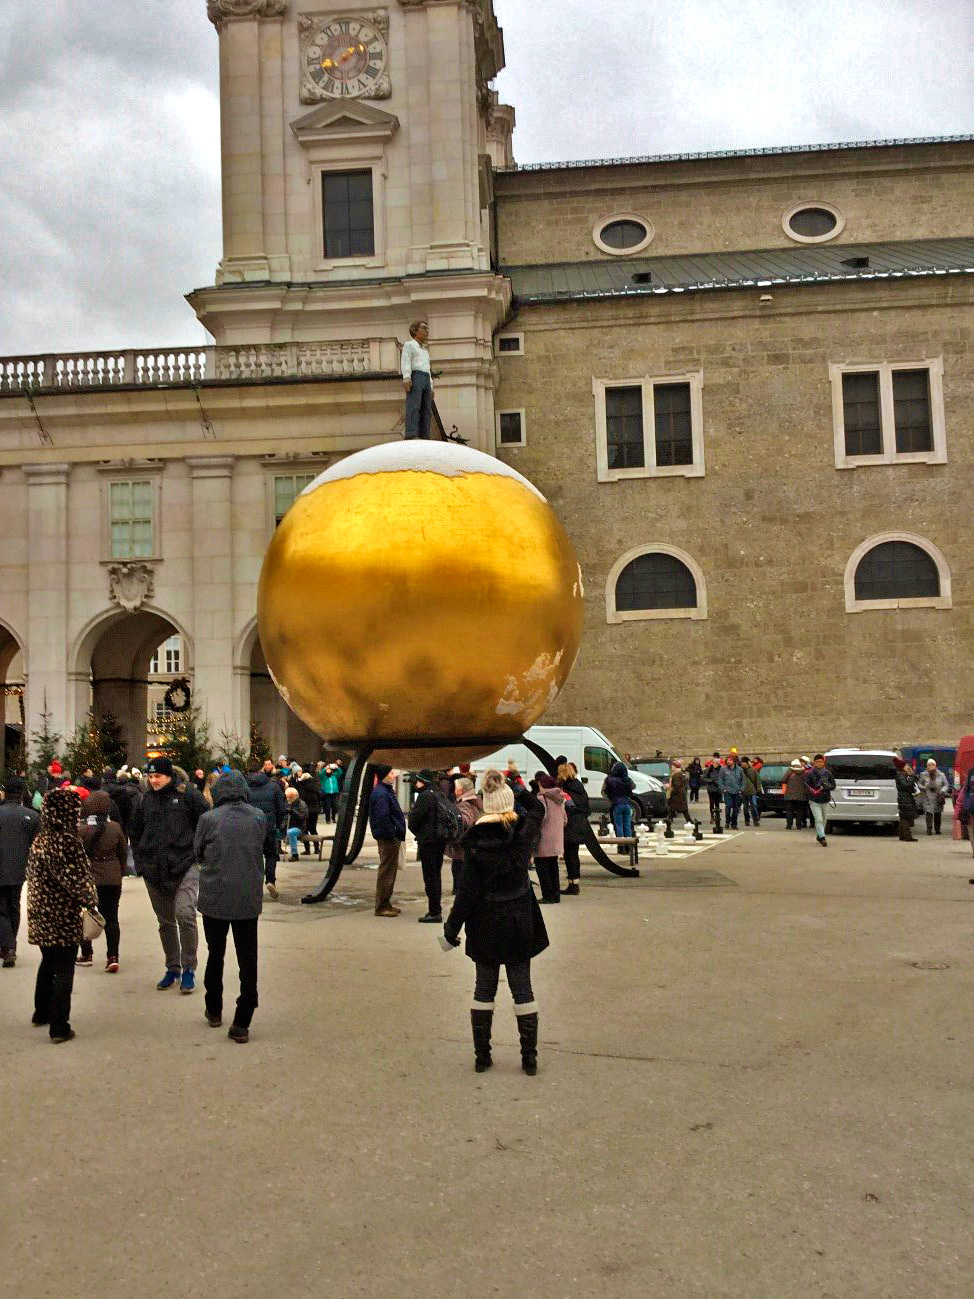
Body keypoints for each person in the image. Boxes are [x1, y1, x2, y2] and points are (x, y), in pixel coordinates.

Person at [444, 770, 550, 1075]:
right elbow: (538, 809)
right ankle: (528, 1057)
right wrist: (518, 785)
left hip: (485, 924)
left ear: (485, 805)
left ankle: (482, 1055)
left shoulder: (475, 843)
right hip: (518, 921)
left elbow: (467, 893)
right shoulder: (522, 835)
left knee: (484, 989)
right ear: (508, 803)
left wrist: (451, 929)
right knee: (522, 988)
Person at [194, 770, 266, 1044]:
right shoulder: (258, 817)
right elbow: (267, 846)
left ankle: (214, 1008)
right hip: (247, 897)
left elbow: (197, 852)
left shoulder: (208, 819)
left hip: (216, 896)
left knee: (215, 953)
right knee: (248, 959)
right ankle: (243, 1020)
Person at [26, 788, 98, 1043]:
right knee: (64, 968)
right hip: (63, 914)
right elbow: (77, 880)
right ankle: (59, 1026)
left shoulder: (40, 839)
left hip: (40, 912)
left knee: (47, 961)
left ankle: (41, 1012)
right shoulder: (67, 841)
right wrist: (91, 901)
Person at [130, 755, 208, 994]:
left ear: (169, 775)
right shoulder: (144, 801)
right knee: (165, 921)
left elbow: (205, 824)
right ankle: (172, 967)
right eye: (150, 776)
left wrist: (199, 856)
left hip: (184, 865)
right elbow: (135, 832)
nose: (154, 780)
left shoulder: (189, 797)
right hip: (154, 871)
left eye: (158, 776)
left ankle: (189, 968)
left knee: (185, 914)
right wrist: (141, 863)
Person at [77, 790, 127, 971]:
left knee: (85, 915)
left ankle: (87, 953)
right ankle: (112, 956)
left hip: (89, 878)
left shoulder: (81, 829)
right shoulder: (115, 827)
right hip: (112, 878)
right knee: (111, 917)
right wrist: (120, 872)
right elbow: (123, 852)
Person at [0, 777, 40, 968]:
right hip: (20, 868)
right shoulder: (32, 816)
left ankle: (7, 947)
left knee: (1, 909)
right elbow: (36, 845)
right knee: (14, 905)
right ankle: (10, 944)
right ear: (23, 794)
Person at [408, 770, 448, 924]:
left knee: (430, 876)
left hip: (428, 841)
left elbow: (414, 820)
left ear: (422, 781)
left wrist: (419, 832)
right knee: (436, 874)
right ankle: (435, 908)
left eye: (417, 781)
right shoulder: (438, 793)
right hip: (439, 840)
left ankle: (434, 911)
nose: (415, 784)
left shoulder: (425, 796)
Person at [369, 765, 406, 917]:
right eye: (391, 773)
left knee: (389, 871)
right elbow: (382, 817)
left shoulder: (384, 791)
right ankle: (381, 906)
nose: (394, 775)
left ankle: (386, 903)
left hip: (390, 836)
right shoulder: (381, 794)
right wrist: (393, 833)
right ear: (385, 775)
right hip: (388, 837)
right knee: (386, 872)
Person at [246, 764, 287, 898]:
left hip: (251, 827)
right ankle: (270, 881)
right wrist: (280, 823)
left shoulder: (245, 787)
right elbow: (281, 807)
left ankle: (254, 885)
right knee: (271, 855)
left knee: (253, 856)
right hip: (268, 826)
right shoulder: (273, 786)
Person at [534, 774, 567, 903]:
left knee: (542, 868)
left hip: (544, 838)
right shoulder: (559, 799)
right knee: (553, 867)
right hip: (556, 838)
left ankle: (547, 896)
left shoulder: (542, 798)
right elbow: (565, 819)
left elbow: (540, 818)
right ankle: (556, 895)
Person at [558, 761, 588, 896]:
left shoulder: (566, 789)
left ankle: (573, 884)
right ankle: (575, 882)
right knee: (574, 854)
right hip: (580, 823)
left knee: (569, 855)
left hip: (570, 825)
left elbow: (567, 808)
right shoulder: (580, 787)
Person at [448, 776, 482, 896]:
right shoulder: (473, 801)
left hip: (463, 844)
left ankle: (458, 890)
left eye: (457, 788)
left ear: (461, 790)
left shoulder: (463, 804)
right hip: (471, 843)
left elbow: (466, 821)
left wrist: (452, 821)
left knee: (458, 867)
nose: (455, 790)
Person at [402, 319, 433, 440]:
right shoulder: (409, 345)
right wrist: (406, 377)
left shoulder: (425, 351)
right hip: (416, 376)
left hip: (425, 377)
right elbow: (406, 361)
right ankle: (412, 433)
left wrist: (431, 385)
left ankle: (425, 435)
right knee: (414, 405)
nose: (427, 331)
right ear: (415, 330)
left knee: (426, 409)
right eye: (424, 328)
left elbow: (428, 369)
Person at [603, 760, 635, 851]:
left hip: (617, 804)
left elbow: (605, 791)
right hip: (627, 803)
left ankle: (621, 846)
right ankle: (629, 845)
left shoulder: (610, 780)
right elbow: (633, 786)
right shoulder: (627, 780)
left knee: (619, 825)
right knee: (627, 824)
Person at [804, 755, 835, 847]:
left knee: (824, 819)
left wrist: (827, 786)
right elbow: (805, 785)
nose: (819, 763)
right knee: (818, 819)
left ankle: (819, 834)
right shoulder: (809, 773)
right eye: (817, 762)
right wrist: (812, 790)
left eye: (821, 761)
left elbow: (833, 786)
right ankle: (822, 837)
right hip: (814, 800)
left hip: (825, 799)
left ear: (823, 762)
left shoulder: (828, 773)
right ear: (814, 762)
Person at [918, 758, 949, 835]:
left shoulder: (941, 775)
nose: (931, 766)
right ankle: (929, 829)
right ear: (927, 766)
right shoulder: (923, 774)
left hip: (938, 796)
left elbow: (946, 785)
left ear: (935, 766)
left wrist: (942, 791)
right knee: (928, 813)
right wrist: (924, 787)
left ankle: (937, 829)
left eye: (933, 764)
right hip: (927, 796)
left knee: (937, 814)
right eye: (929, 765)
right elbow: (919, 784)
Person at [894, 756, 919, 842]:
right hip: (905, 798)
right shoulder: (901, 775)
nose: (907, 767)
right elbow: (906, 785)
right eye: (905, 765)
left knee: (903, 817)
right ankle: (907, 836)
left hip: (905, 797)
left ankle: (902, 835)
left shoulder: (901, 775)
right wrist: (912, 777)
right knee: (906, 817)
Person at [295, 768, 321, 851]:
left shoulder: (301, 787)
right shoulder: (315, 787)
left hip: (306, 810)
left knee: (305, 829)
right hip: (315, 810)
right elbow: (320, 797)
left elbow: (300, 799)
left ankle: (307, 849)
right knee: (313, 829)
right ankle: (317, 848)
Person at [665, 759, 694, 834]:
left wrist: (670, 790)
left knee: (677, 810)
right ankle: (668, 823)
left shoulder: (676, 775)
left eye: (672, 766)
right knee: (674, 810)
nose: (671, 767)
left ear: (675, 767)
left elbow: (677, 786)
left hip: (677, 796)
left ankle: (667, 825)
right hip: (680, 796)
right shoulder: (679, 774)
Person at [718, 753, 745, 830]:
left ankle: (734, 823)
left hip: (737, 791)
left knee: (736, 808)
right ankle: (727, 822)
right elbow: (720, 779)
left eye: (730, 760)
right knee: (728, 806)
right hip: (727, 791)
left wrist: (741, 789)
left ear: (734, 761)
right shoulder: (723, 769)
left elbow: (743, 780)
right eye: (727, 760)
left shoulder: (740, 770)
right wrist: (723, 789)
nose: (728, 761)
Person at [783, 759, 810, 830]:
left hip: (790, 795)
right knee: (800, 811)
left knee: (789, 811)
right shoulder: (804, 772)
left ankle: (789, 825)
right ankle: (799, 825)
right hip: (801, 795)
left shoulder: (789, 771)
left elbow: (784, 780)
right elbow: (807, 782)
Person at [283, 786, 308, 861]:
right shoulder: (286, 803)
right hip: (286, 826)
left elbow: (303, 817)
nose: (288, 799)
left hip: (299, 827)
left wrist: (293, 812)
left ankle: (295, 854)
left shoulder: (302, 804)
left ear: (295, 796)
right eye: (287, 797)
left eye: (290, 797)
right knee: (274, 832)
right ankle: (275, 853)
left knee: (291, 832)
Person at [740, 757, 761, 828]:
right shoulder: (740, 771)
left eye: (743, 762)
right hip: (743, 791)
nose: (742, 763)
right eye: (741, 762)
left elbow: (757, 779)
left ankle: (755, 820)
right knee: (745, 807)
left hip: (752, 791)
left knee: (754, 806)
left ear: (746, 763)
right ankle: (747, 820)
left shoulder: (753, 770)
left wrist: (758, 788)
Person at [704, 754, 722, 825]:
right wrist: (710, 781)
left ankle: (717, 815)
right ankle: (712, 816)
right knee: (711, 803)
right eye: (714, 763)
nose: (715, 764)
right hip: (711, 788)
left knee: (717, 803)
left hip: (718, 788)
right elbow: (703, 777)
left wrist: (719, 782)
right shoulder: (709, 769)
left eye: (716, 763)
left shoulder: (721, 769)